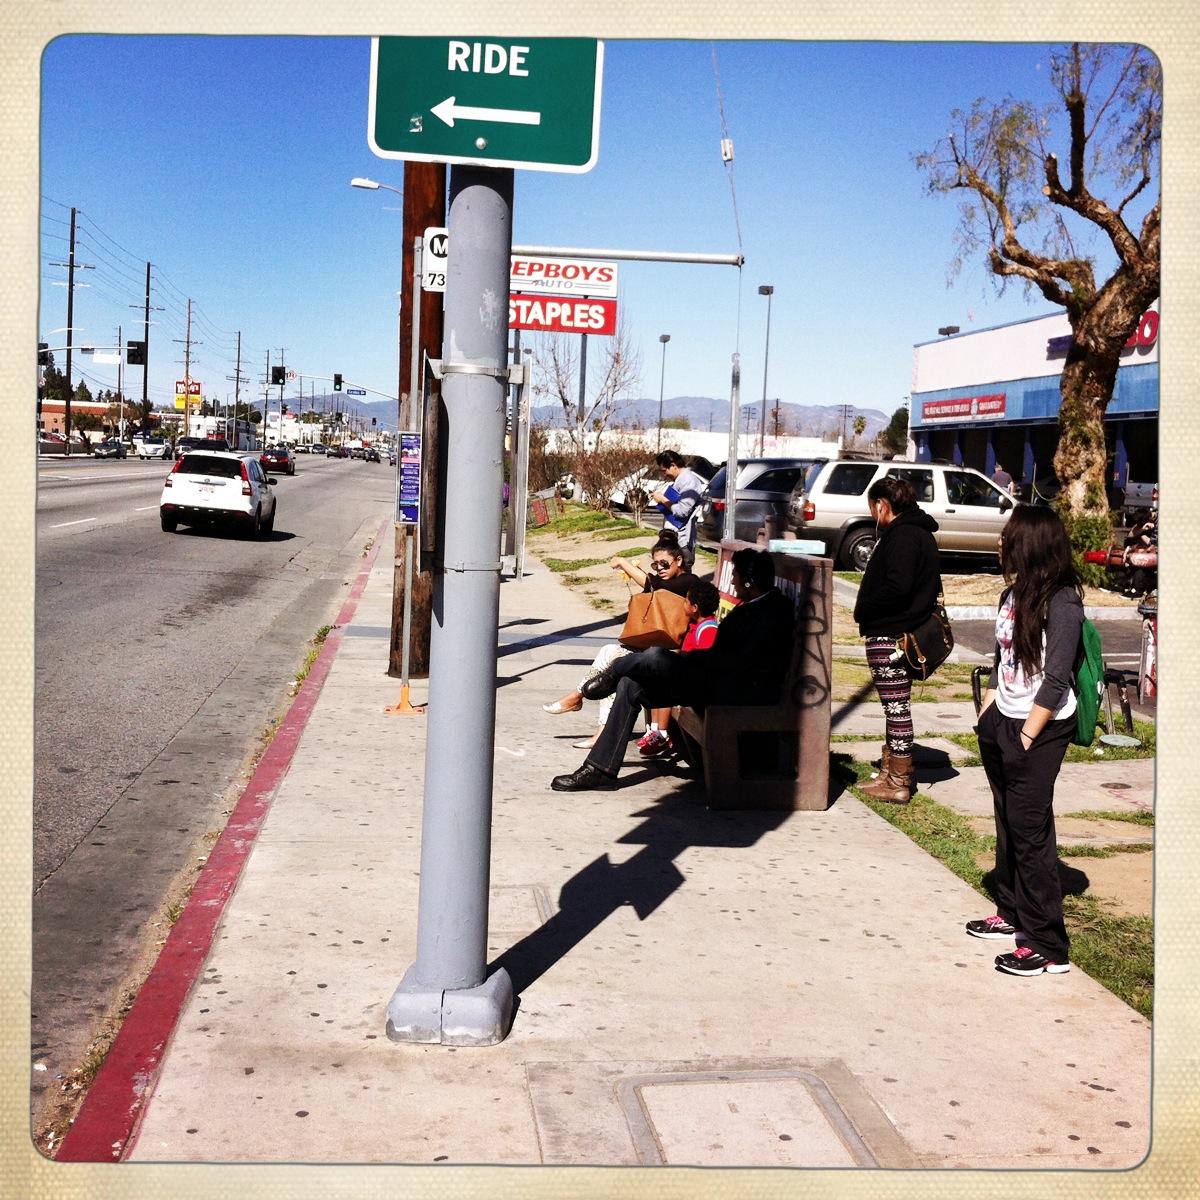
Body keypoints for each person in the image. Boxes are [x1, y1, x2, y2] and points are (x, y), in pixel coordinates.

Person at [550, 549, 794, 791]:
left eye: (737, 576)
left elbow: (740, 663)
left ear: (750, 581)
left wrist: (689, 657)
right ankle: (599, 770)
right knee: (632, 683)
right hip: (718, 680)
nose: (733, 581)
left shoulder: (772, 614)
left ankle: (613, 670)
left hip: (738, 690)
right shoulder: (753, 606)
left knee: (657, 657)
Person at [969, 506, 1083, 977]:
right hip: (1005, 722)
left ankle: (1047, 944)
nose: (1001, 544)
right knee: (1008, 821)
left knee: (1030, 832)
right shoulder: (1011, 593)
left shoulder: (1062, 602)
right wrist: (990, 708)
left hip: (1040, 727)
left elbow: (1056, 680)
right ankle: (1012, 912)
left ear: (1030, 544)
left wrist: (1026, 735)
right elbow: (1001, 655)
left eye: (1008, 537)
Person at [542, 529, 699, 750]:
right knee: (609, 656)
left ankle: (578, 698)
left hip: (671, 655)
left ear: (679, 560)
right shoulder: (671, 580)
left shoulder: (688, 581)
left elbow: (655, 586)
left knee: (613, 662)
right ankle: (592, 720)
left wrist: (626, 564)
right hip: (655, 651)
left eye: (665, 564)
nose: (660, 569)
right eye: (655, 565)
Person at [852, 476, 942, 803]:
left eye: (873, 507)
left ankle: (898, 781)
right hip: (900, 632)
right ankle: (891, 773)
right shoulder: (918, 533)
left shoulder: (904, 536)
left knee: (897, 709)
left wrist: (865, 608)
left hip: (891, 634)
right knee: (896, 707)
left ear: (882, 506)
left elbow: (898, 586)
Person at [637, 579, 722, 758]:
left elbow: (704, 658)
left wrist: (681, 656)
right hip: (687, 674)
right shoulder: (696, 626)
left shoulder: (708, 630)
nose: (683, 603)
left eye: (686, 600)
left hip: (695, 681)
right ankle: (655, 729)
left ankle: (662, 732)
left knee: (666, 683)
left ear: (695, 607)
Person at [649, 450, 706, 568]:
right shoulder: (681, 480)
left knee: (682, 578)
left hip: (682, 541)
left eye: (665, 471)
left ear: (673, 466)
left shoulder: (689, 481)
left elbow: (682, 510)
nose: (664, 475)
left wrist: (663, 500)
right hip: (673, 540)